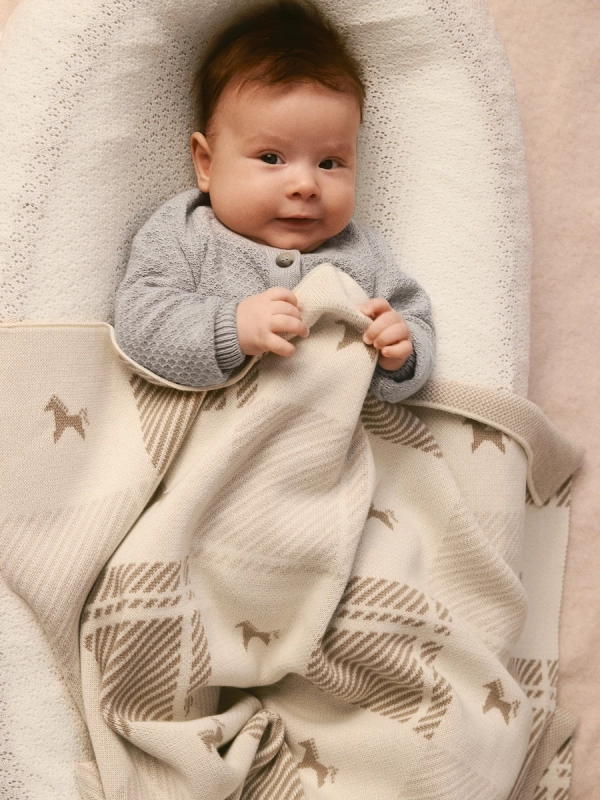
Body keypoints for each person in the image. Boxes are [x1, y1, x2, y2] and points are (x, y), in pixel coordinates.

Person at [113, 0, 435, 404]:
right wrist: (231, 327)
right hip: (210, 423)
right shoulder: (185, 233)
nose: (305, 185)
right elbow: (139, 324)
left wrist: (402, 353)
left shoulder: (362, 254)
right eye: (271, 158)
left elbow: (414, 318)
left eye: (329, 163)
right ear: (207, 164)